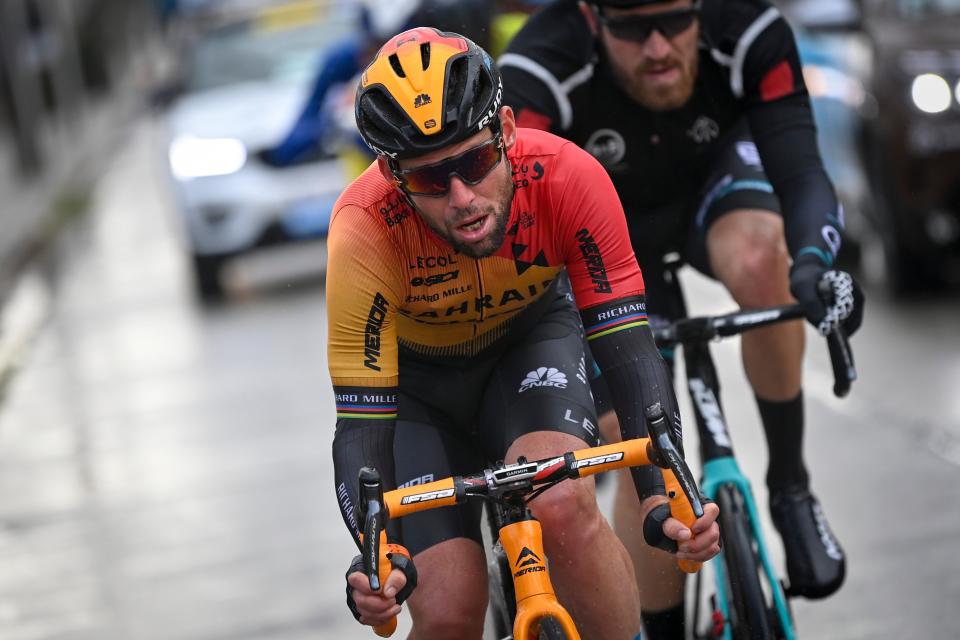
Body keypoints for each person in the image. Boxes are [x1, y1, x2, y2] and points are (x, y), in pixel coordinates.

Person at [327, 27, 720, 639]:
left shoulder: (568, 177)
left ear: (506, 129)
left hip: (527, 348)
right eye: (431, 179)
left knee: (562, 505)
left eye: (476, 161)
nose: (462, 198)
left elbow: (628, 351)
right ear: (390, 172)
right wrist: (376, 557)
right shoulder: (363, 231)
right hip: (420, 395)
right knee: (449, 608)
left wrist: (661, 498)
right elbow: (361, 426)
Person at [499, 0, 865, 636]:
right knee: (628, 444)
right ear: (591, 17)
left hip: (712, 191)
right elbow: (520, 239)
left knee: (764, 260)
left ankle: (790, 484)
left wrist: (813, 264)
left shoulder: (748, 29)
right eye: (634, 31)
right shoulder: (542, 65)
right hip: (598, 237)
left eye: (675, 23)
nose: (660, 48)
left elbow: (802, 171)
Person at [263, 0, 492, 168]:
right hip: (372, 185)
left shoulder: (446, 52)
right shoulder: (342, 59)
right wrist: (279, 155)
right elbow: (309, 116)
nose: (387, 52)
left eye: (398, 39)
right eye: (376, 45)